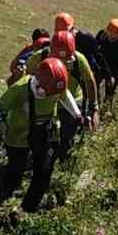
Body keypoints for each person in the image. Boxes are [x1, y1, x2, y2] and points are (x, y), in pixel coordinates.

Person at [0, 58, 81, 214]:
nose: (47, 96)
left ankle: (27, 209)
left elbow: (65, 96)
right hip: (17, 135)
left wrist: (76, 114)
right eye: (44, 92)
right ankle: (4, 195)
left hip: (44, 132)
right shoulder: (19, 89)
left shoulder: (53, 85)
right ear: (37, 81)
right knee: (16, 170)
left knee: (44, 171)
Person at [23, 30, 100, 160]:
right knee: (44, 136)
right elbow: (26, 80)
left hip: (73, 100)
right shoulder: (38, 58)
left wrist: (94, 108)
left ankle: (60, 164)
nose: (63, 64)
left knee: (66, 137)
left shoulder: (79, 59)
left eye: (67, 61)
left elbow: (89, 80)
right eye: (60, 60)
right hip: (46, 100)